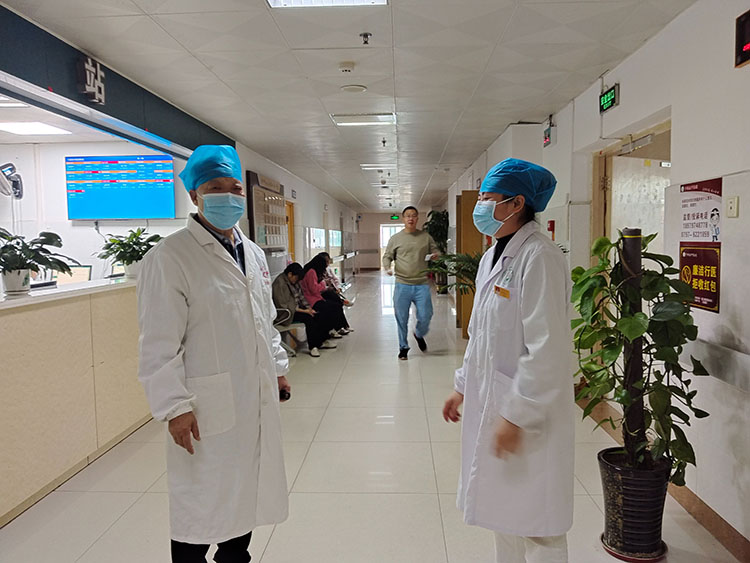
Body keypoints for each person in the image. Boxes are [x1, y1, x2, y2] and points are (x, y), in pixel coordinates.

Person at [137, 145, 291, 563]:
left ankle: (235, 557)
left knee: (244, 489)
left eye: (234, 187)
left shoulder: (252, 253)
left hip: (252, 395)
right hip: (204, 405)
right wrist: (174, 407)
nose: (228, 196)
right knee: (202, 501)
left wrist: (278, 369)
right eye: (215, 187)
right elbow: (158, 343)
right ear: (195, 195)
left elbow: (264, 319)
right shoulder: (170, 257)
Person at [442, 158, 574, 563]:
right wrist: (462, 386)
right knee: (503, 512)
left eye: (488, 198)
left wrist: (517, 415)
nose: (479, 206)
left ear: (517, 203)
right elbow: (480, 333)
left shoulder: (540, 257)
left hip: (529, 411)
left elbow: (547, 348)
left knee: (537, 524)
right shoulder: (492, 257)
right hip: (494, 400)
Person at [381, 206, 440, 360]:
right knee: (401, 318)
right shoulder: (396, 238)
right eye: (407, 216)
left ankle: (419, 333)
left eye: (413, 215)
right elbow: (387, 256)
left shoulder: (425, 237)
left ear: (417, 218)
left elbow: (436, 251)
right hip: (402, 284)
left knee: (426, 314)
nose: (410, 218)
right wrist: (387, 267)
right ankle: (403, 347)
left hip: (422, 284)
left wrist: (436, 255)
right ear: (403, 218)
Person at [272, 262, 337, 357]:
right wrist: (305, 311)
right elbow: (283, 305)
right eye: (296, 278)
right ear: (290, 274)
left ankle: (322, 340)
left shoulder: (293, 281)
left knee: (318, 313)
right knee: (309, 318)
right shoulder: (280, 283)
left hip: (296, 309)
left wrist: (309, 308)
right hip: (286, 314)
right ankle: (313, 346)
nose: (297, 280)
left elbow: (301, 297)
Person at [301, 254, 350, 336]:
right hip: (311, 300)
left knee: (335, 301)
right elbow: (314, 289)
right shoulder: (311, 272)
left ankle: (339, 327)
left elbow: (332, 280)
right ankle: (332, 329)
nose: (327, 265)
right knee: (333, 306)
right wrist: (323, 284)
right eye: (326, 263)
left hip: (316, 297)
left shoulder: (313, 271)